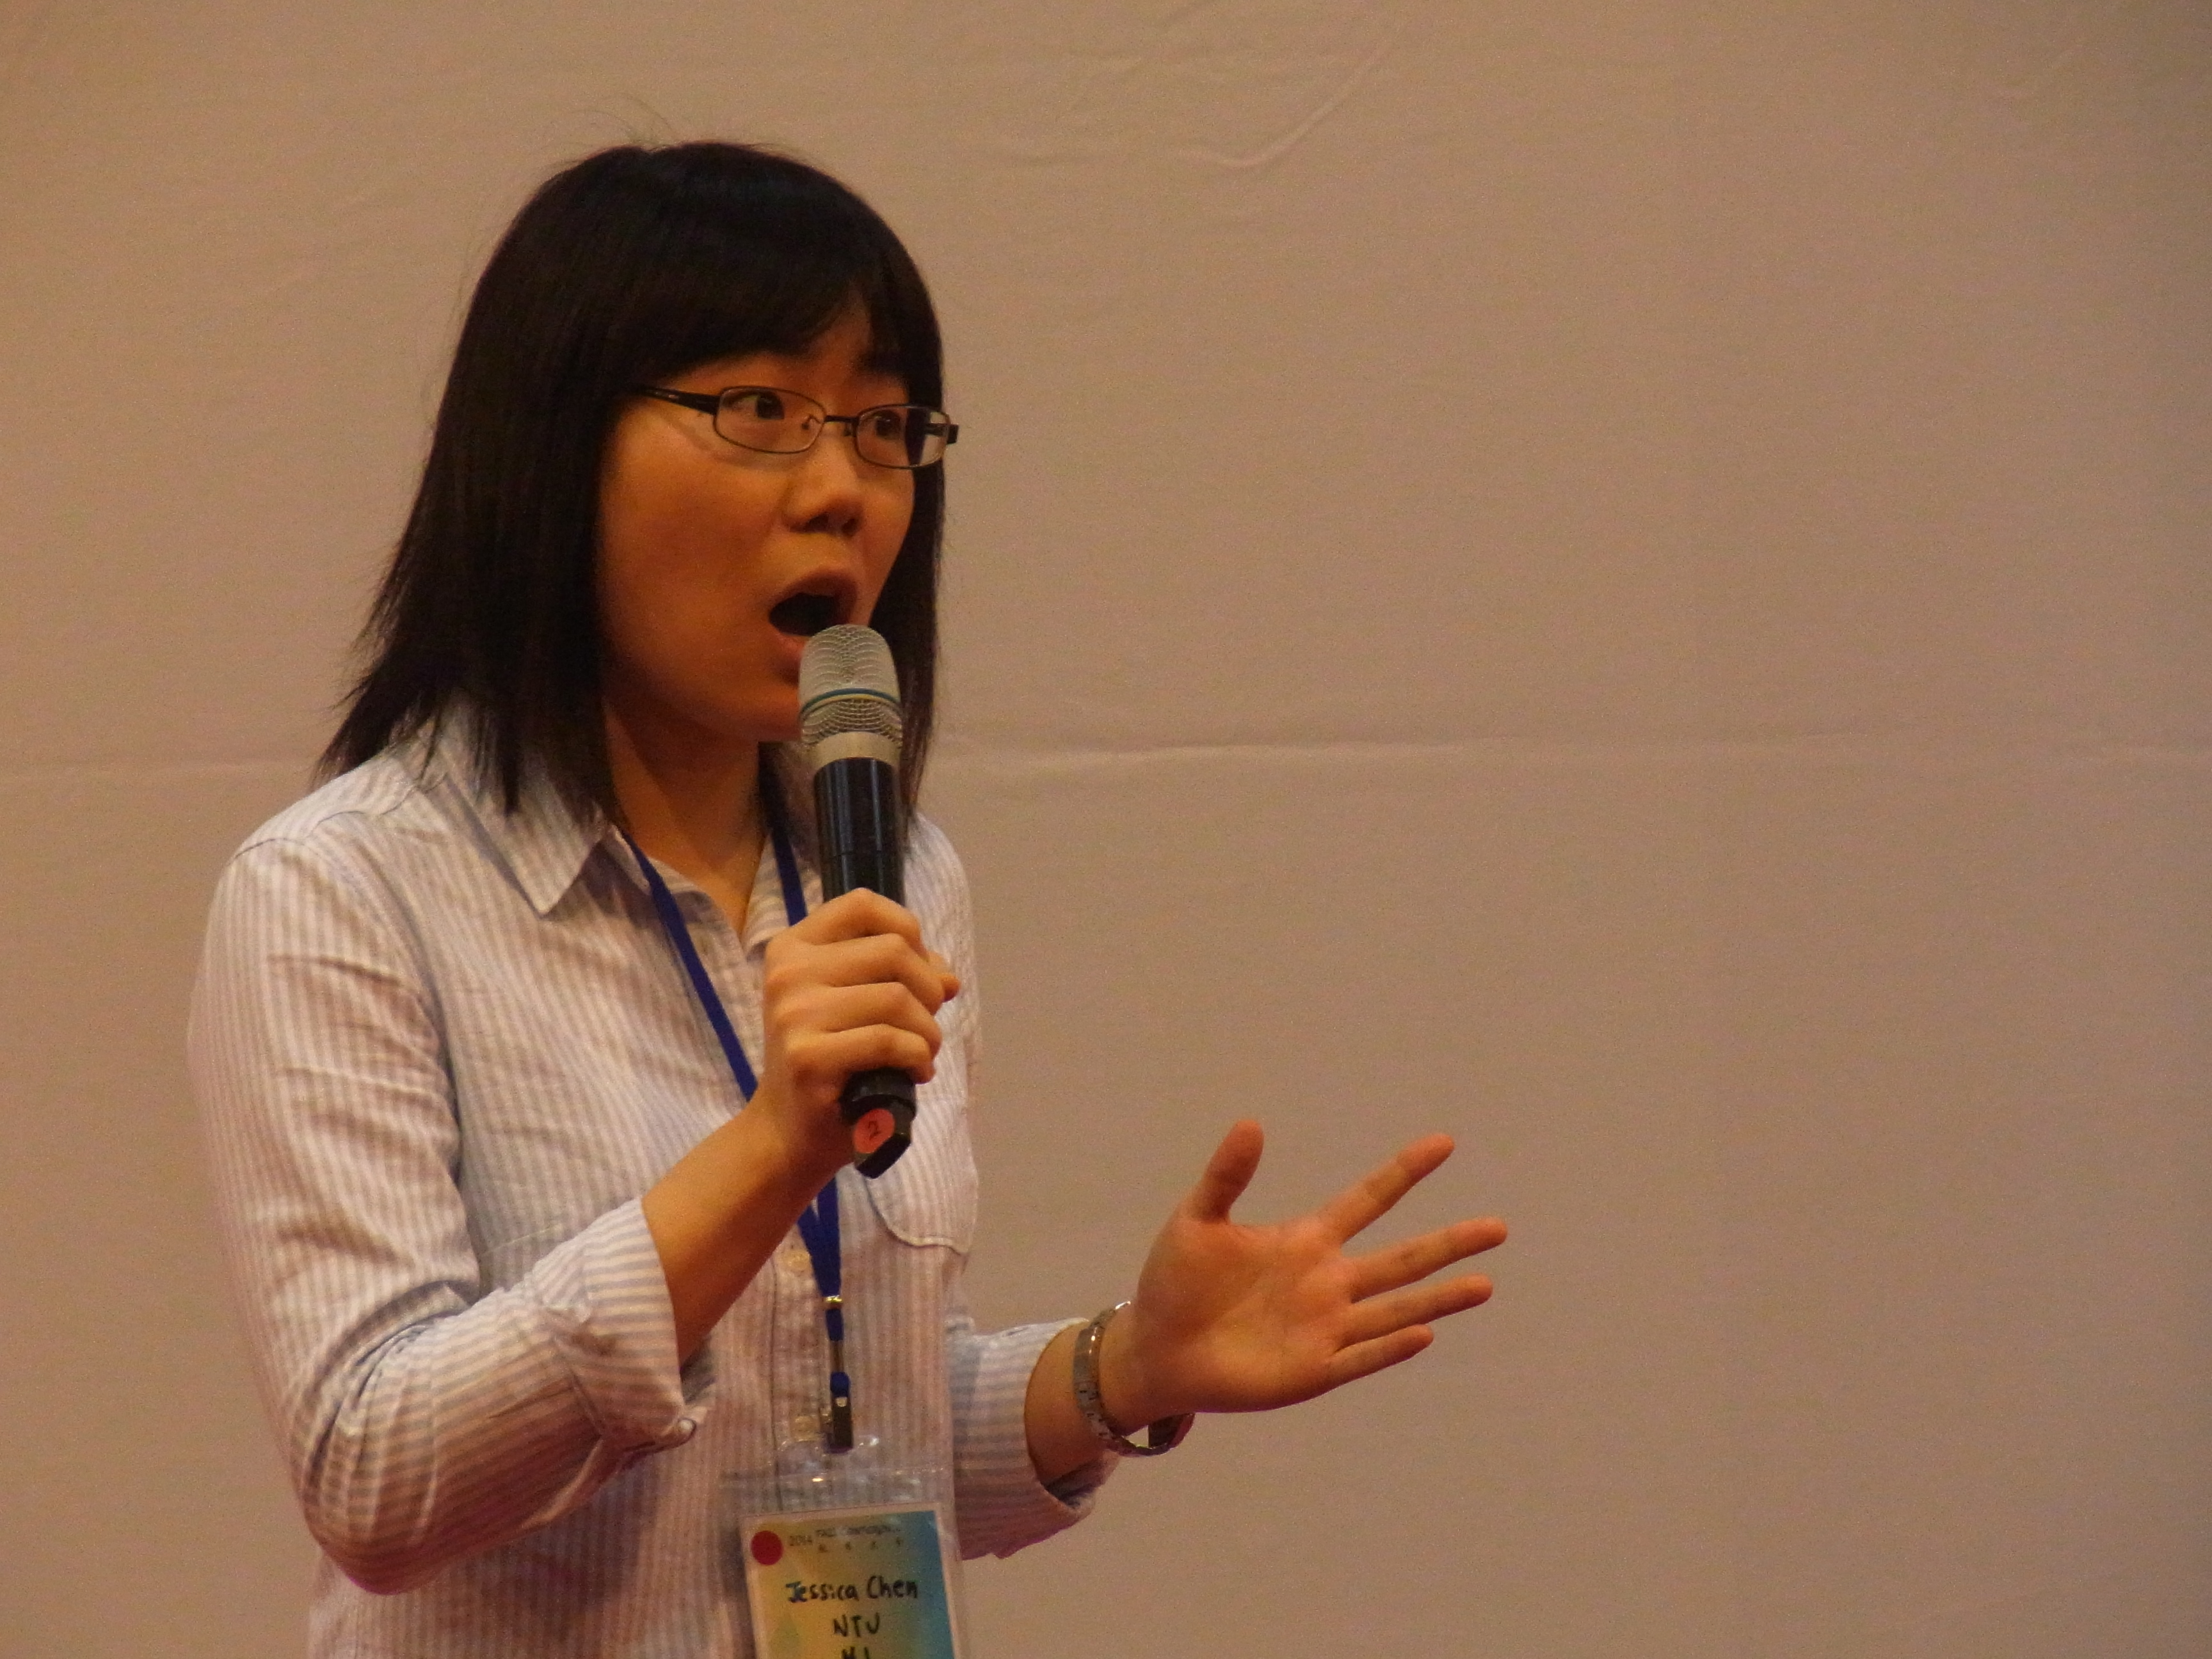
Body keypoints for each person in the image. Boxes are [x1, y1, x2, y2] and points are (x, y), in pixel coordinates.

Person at [191, 140, 1507, 1657]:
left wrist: (1126, 1369)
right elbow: (373, 1480)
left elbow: (854, 1427)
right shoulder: (342, 892)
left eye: (882, 428)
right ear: (551, 447)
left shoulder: (894, 872)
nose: (841, 492)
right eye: (761, 412)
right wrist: (770, 1150)